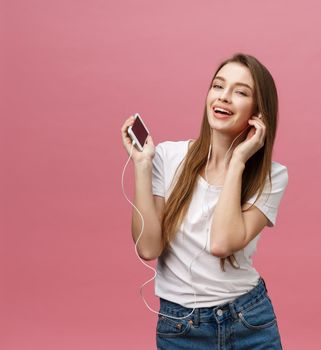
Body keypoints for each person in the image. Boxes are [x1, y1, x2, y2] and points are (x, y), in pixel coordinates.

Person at [120, 53, 289, 349]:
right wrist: (143, 166)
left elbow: (221, 243)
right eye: (218, 86)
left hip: (249, 320)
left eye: (240, 92)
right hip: (181, 328)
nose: (223, 97)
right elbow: (148, 248)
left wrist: (237, 161)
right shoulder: (168, 158)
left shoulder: (271, 176)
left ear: (258, 112)